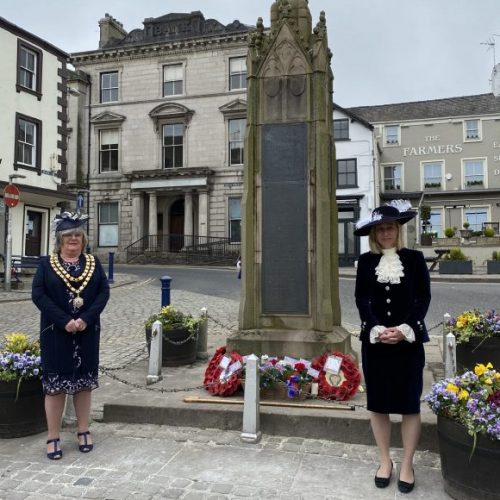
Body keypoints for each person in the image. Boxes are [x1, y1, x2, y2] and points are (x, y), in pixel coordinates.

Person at [353, 200, 431, 494]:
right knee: (379, 405)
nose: (386, 232)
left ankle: (407, 463)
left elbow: (422, 299)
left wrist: (403, 329)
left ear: (398, 230)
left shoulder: (414, 258)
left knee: (410, 406)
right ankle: (385, 461)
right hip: (375, 343)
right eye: (381, 228)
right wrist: (375, 328)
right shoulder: (366, 263)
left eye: (390, 227)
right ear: (375, 234)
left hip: (408, 342)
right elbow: (362, 300)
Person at [32, 212, 110, 460]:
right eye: (68, 235)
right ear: (60, 239)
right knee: (55, 388)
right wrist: (64, 320)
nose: (73, 239)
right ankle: (53, 436)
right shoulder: (47, 264)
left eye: (77, 234)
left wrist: (86, 318)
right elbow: (39, 295)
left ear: (83, 238)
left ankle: (83, 430)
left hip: (86, 333)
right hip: (57, 333)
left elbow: (103, 293)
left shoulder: (94, 263)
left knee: (84, 384)